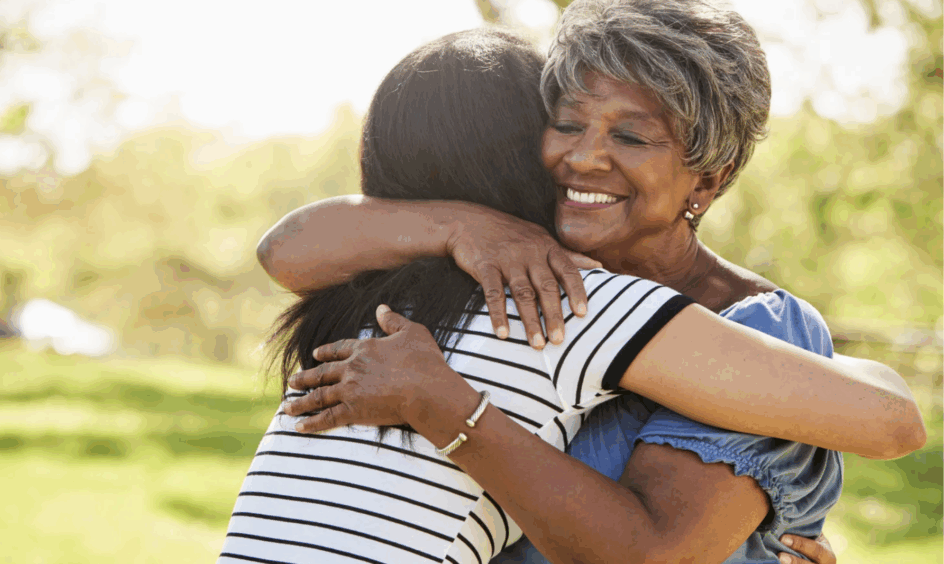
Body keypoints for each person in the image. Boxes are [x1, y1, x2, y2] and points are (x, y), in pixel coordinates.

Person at [255, 2, 925, 563]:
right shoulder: (501, 273)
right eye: (567, 123)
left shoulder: (744, 323)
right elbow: (285, 249)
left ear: (710, 177)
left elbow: (891, 421)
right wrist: (464, 224)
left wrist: (447, 408)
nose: (583, 156)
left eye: (632, 138)